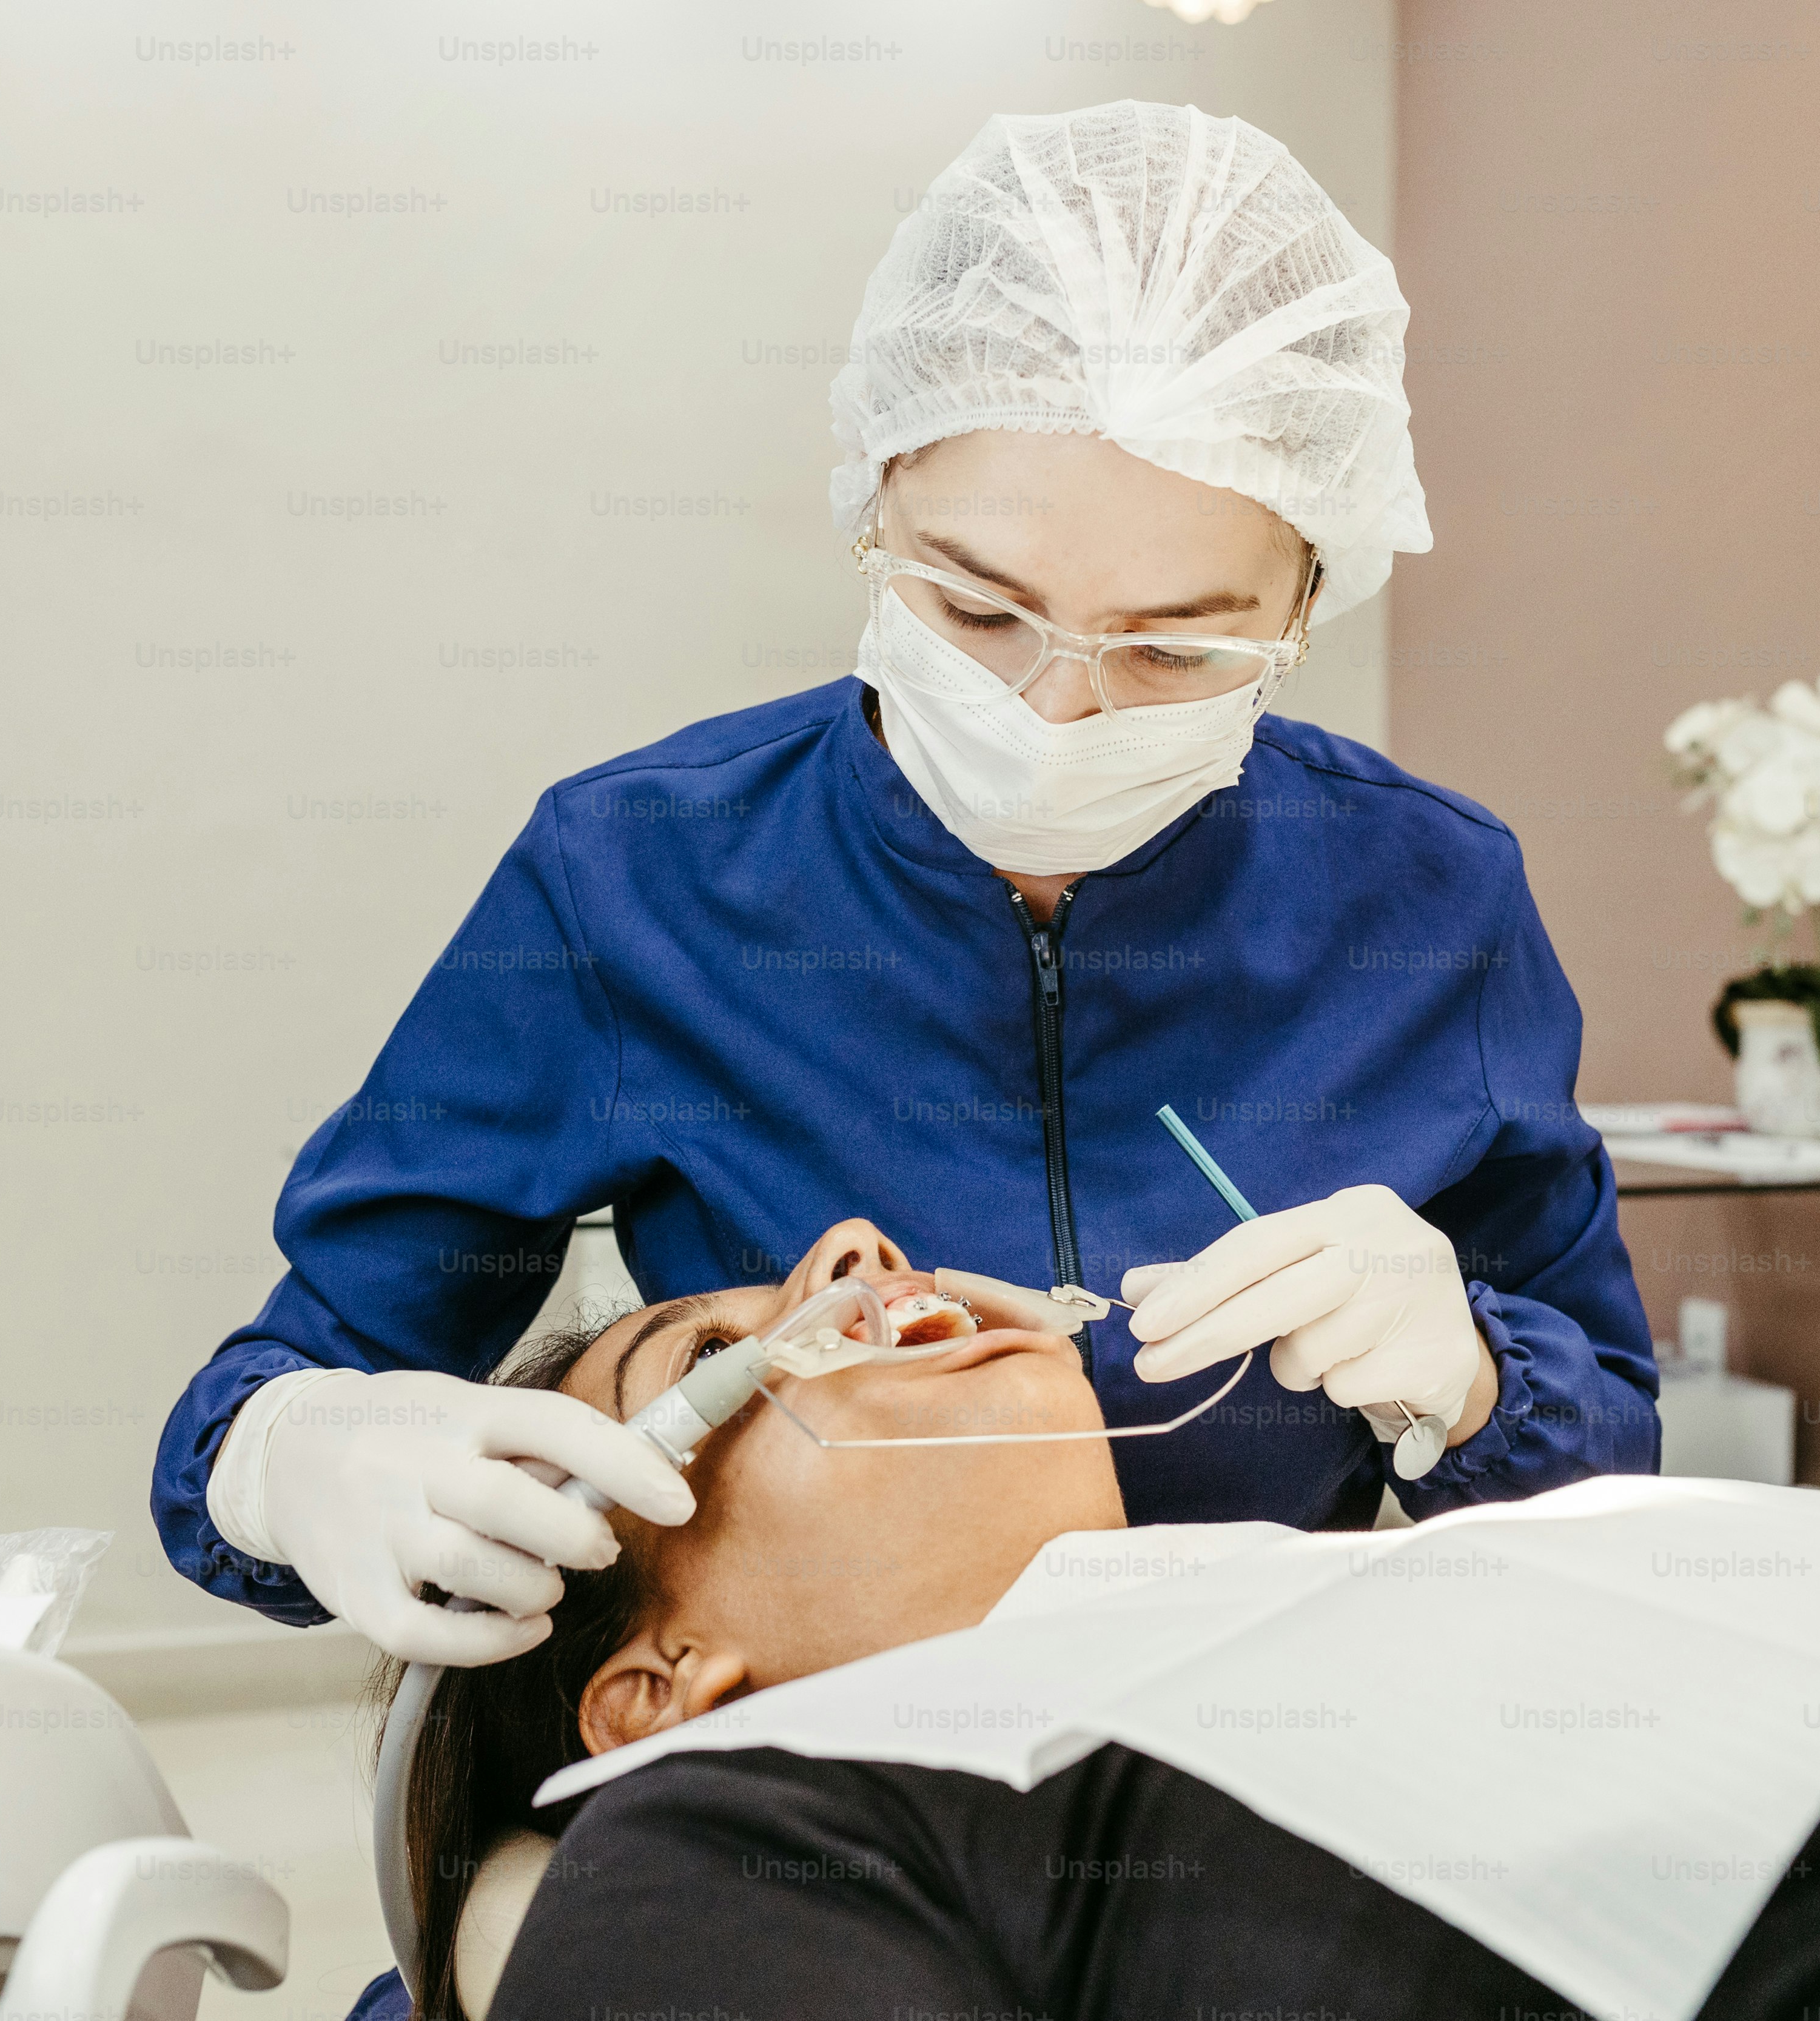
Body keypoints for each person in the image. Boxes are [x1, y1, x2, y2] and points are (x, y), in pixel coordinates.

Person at [153, 99, 1659, 1674]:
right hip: (799, 1793)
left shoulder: (1427, 902)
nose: (1059, 708)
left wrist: (1480, 1380)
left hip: (1241, 1771)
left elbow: (1613, 1464)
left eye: (1175, 646)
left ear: (1308, 602)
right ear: (875, 506)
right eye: (978, 607)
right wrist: (295, 1458)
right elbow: (273, 1403)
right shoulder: (642, 875)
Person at [355, 1227, 1820, 2021]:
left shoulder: (1329, 1592)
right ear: (659, 1682)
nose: (845, 1244)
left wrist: (1482, 1394)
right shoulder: (760, 1808)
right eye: (711, 1347)